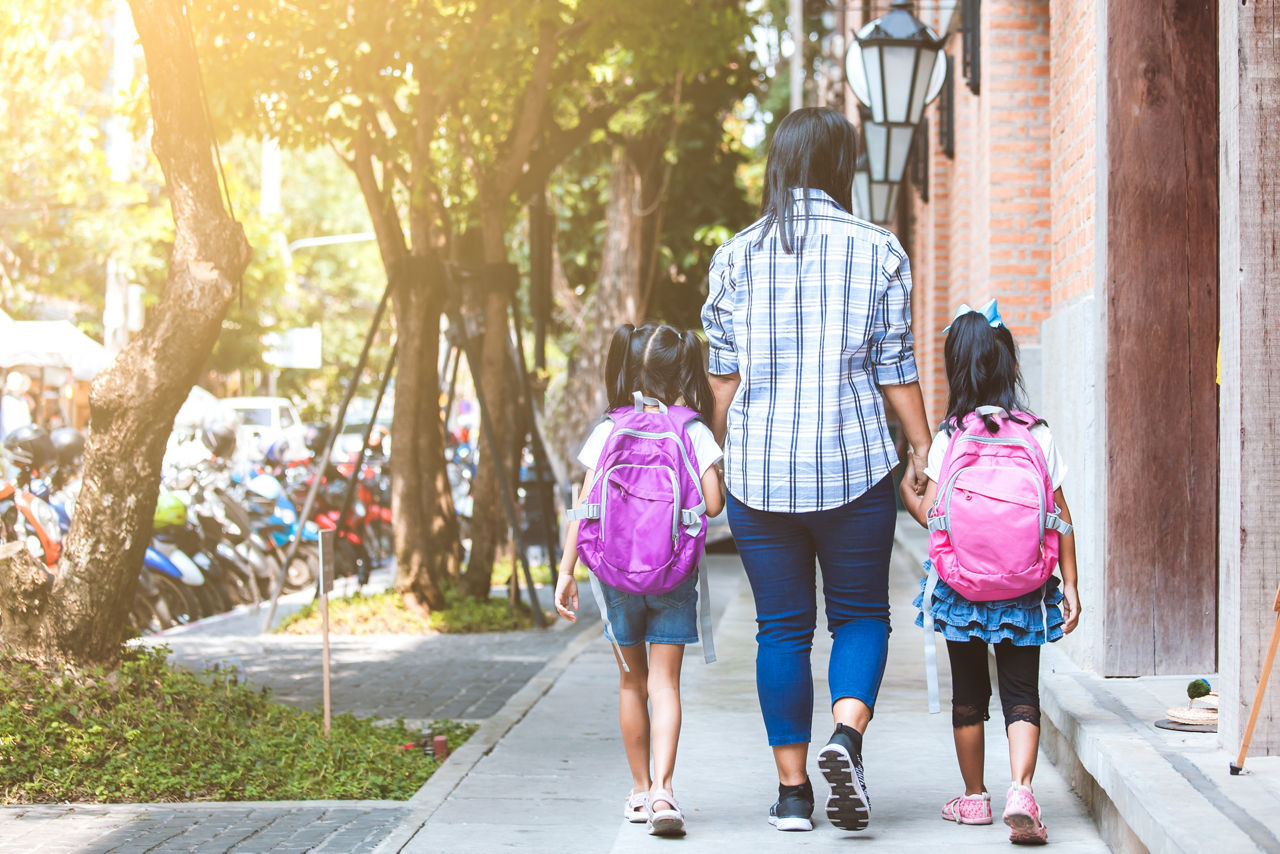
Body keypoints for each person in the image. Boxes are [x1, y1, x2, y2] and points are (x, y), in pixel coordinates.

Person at [701, 107, 932, 833]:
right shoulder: (881, 250)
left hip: (760, 476)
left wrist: (716, 450)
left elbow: (722, 379)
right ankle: (847, 734)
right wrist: (923, 449)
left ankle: (795, 794)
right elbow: (896, 368)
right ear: (841, 167)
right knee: (861, 614)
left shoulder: (734, 256)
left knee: (782, 630)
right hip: (855, 466)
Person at [899, 304, 1080, 846]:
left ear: (957, 369)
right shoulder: (1036, 433)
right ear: (1010, 367)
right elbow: (1061, 516)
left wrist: (909, 489)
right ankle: (1021, 790)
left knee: (969, 692)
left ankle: (975, 797)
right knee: (1022, 690)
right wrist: (1071, 586)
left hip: (963, 585)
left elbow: (934, 514)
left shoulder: (952, 438)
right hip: (1026, 585)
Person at [554, 322, 725, 837]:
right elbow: (713, 506)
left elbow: (584, 508)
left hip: (612, 575)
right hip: (672, 572)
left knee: (631, 683)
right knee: (665, 683)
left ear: (631, 368)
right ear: (684, 373)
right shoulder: (692, 430)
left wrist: (566, 573)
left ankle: (637, 789)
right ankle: (664, 793)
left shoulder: (610, 428)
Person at [1, 371, 33, 439]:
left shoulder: (23, 400)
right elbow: (7, 424)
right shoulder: (7, 400)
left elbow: (26, 421)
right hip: (10, 440)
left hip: (21, 439)